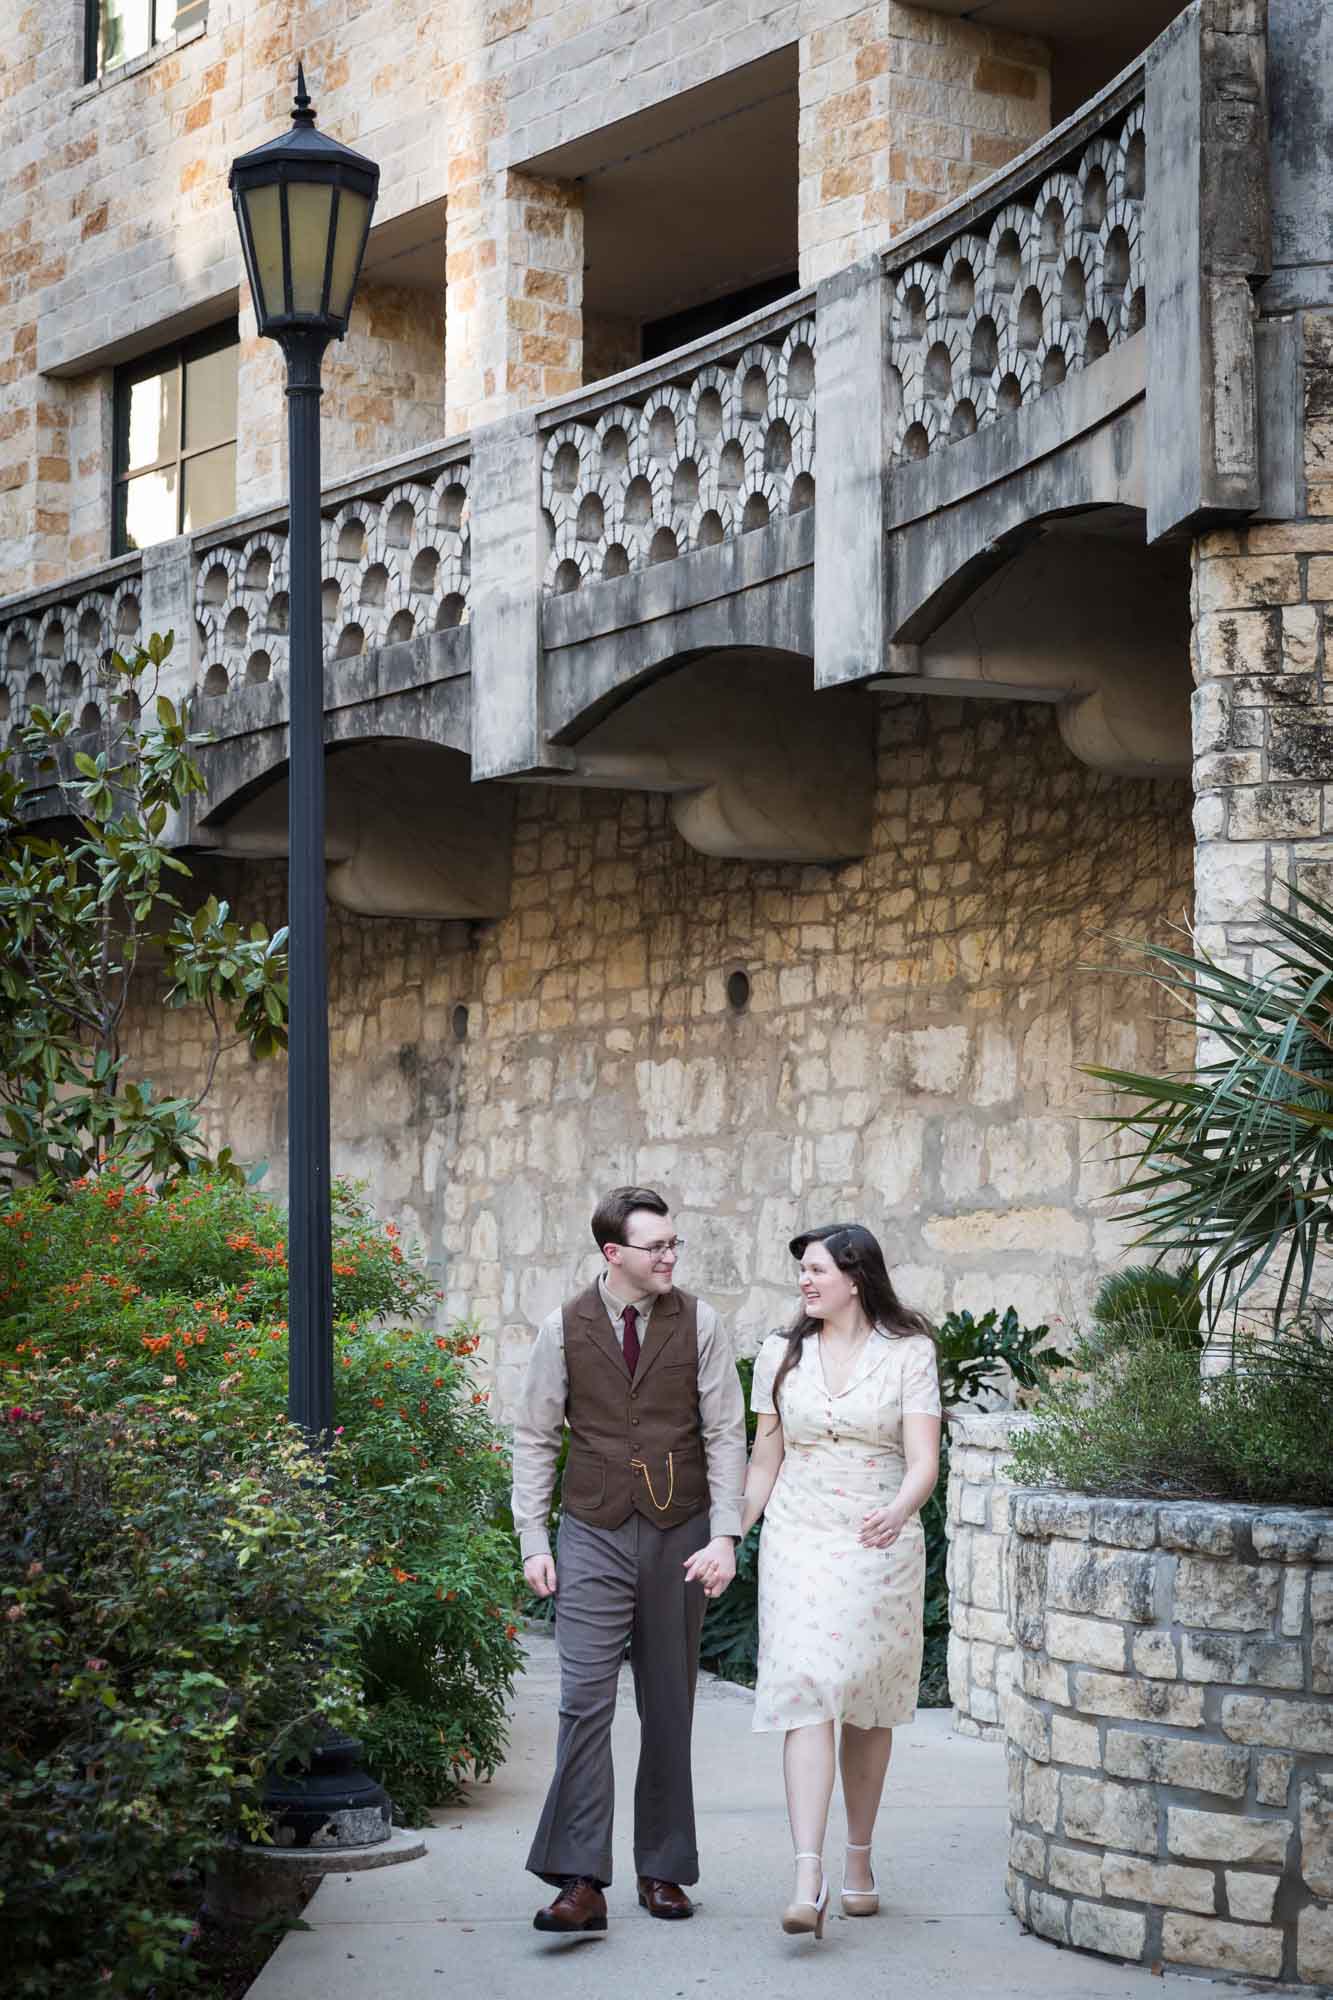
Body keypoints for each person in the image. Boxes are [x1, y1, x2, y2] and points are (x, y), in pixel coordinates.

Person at [511, 1185, 747, 1934]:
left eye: (674, 1243)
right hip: (592, 1530)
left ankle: (665, 1868)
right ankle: (580, 1880)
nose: (670, 1255)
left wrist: (726, 1535)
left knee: (669, 1703)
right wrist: (532, 1539)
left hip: (681, 1534)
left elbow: (725, 1435)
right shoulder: (562, 1327)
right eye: (656, 1246)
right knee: (584, 1701)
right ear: (614, 1254)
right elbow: (535, 1437)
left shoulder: (701, 1323)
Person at [741, 1223, 941, 1941]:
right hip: (797, 1535)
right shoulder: (778, 1354)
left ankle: (857, 1859)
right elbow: (763, 1461)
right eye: (801, 1269)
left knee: (863, 1697)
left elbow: (923, 1458)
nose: (803, 1280)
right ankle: (807, 1873)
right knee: (805, 1686)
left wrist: (897, 1509)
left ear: (854, 1278)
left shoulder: (908, 1354)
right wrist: (731, 1534)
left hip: (874, 1538)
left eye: (816, 1269)